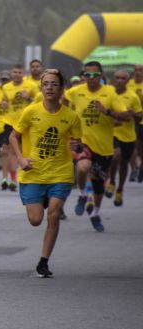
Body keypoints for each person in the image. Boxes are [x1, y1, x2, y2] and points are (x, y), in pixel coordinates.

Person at [9, 69, 82, 277]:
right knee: (35, 220)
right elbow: (13, 137)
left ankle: (44, 261)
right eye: (46, 84)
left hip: (61, 173)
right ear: (41, 88)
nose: (49, 87)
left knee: (54, 214)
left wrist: (76, 146)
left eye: (54, 84)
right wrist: (21, 159)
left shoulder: (71, 117)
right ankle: (41, 200)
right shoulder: (30, 112)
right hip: (33, 173)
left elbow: (77, 144)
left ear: (61, 89)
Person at [63, 61, 128, 232]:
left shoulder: (110, 93)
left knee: (99, 185)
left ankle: (95, 214)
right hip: (82, 141)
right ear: (84, 76)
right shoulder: (77, 91)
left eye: (94, 75)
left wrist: (106, 111)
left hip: (104, 146)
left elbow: (126, 116)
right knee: (83, 167)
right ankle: (83, 195)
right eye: (87, 75)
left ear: (100, 76)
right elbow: (62, 99)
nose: (90, 78)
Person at [106, 70, 142, 205]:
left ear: (128, 81)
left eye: (123, 78)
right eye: (117, 78)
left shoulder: (132, 96)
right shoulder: (109, 93)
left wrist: (133, 114)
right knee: (115, 156)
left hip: (128, 135)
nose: (120, 80)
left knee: (123, 163)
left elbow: (140, 115)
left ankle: (120, 189)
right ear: (113, 79)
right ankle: (112, 182)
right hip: (112, 133)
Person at [1, 64, 39, 191]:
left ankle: (27, 175)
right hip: (10, 122)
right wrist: (4, 103)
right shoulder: (6, 87)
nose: (17, 74)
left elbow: (39, 102)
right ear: (11, 74)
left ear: (23, 73)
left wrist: (29, 98)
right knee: (10, 150)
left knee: (24, 150)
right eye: (14, 72)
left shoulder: (31, 86)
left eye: (19, 72)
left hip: (25, 123)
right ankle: (12, 179)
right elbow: (5, 101)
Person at [127, 64, 143, 182]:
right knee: (134, 145)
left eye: (140, 70)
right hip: (131, 120)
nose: (138, 72)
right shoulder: (129, 84)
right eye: (136, 70)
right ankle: (134, 169)